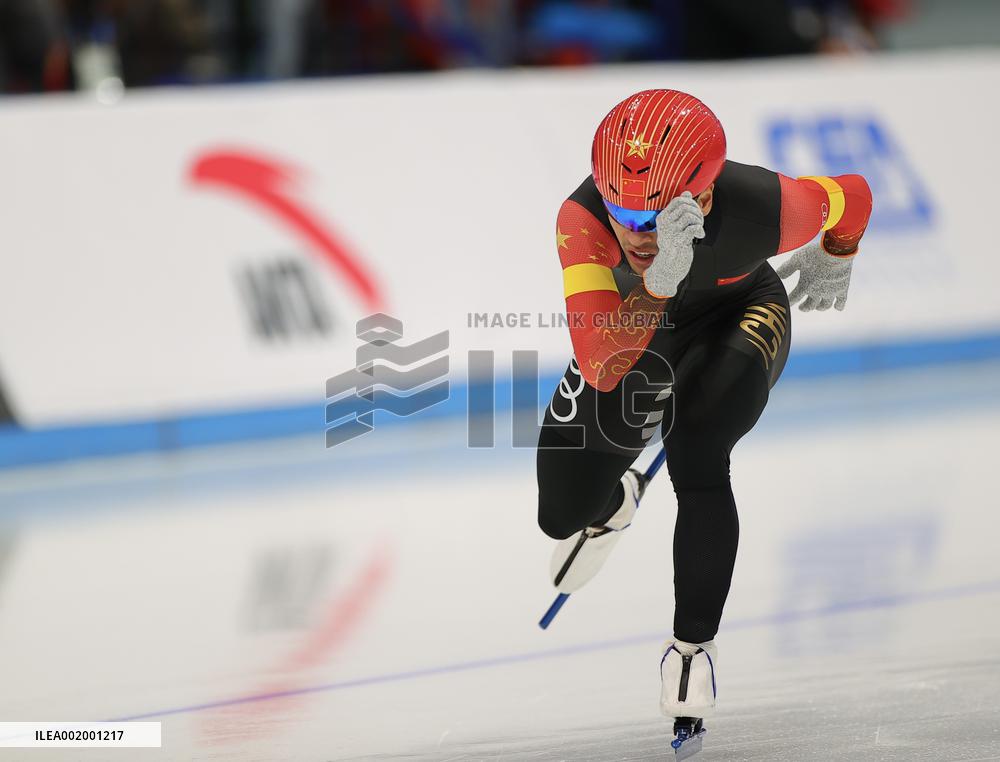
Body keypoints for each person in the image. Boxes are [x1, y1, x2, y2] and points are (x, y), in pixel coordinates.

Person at [536, 88, 872, 742]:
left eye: (650, 213)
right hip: (637, 330)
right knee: (560, 513)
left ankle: (691, 650)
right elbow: (604, 365)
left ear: (705, 196)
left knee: (695, 445)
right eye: (619, 207)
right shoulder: (581, 221)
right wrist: (658, 278)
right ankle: (612, 502)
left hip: (737, 317)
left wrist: (838, 249)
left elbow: (852, 194)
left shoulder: (768, 206)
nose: (631, 229)